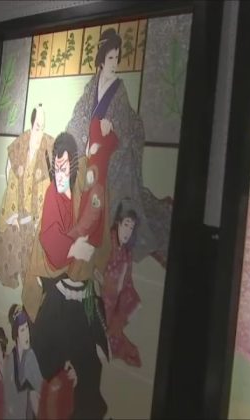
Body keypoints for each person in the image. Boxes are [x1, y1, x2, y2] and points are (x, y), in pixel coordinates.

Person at [65, 28, 171, 265]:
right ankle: (85, 234)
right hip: (91, 149)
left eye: (117, 57)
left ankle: (96, 239)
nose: (114, 63)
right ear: (101, 59)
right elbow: (79, 115)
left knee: (101, 191)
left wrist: (109, 128)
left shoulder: (119, 89)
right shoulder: (92, 85)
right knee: (79, 180)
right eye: (110, 57)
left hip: (109, 152)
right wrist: (77, 142)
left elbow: (123, 129)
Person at [31, 132, 108, 419]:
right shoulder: (52, 194)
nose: (61, 173)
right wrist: (73, 247)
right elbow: (49, 239)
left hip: (82, 290)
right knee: (47, 353)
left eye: (65, 167)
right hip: (59, 289)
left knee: (88, 361)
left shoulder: (81, 191)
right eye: (57, 167)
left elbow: (95, 224)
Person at [0, 105, 55, 320]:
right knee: (9, 235)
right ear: (31, 123)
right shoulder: (21, 144)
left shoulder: (48, 145)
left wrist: (38, 215)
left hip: (35, 211)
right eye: (37, 125)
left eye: (42, 126)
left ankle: (32, 298)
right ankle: (5, 274)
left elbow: (50, 181)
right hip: (17, 207)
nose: (39, 130)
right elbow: (9, 173)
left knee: (32, 256)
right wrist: (13, 212)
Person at [102, 200, 141, 367]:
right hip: (100, 298)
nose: (128, 231)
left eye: (131, 227)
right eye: (126, 224)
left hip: (114, 301)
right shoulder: (107, 243)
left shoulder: (126, 254)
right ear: (118, 222)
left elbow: (127, 282)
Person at [3, 304, 44, 419]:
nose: (26, 334)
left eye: (26, 328)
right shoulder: (11, 359)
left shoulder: (30, 357)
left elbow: (41, 389)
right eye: (22, 330)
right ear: (16, 334)